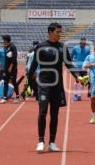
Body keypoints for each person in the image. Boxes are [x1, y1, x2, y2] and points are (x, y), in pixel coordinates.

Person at [28, 23, 83, 153]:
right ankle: (41, 141)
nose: (60, 34)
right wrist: (29, 85)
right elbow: (33, 67)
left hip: (57, 86)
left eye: (60, 32)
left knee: (55, 114)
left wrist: (77, 76)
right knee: (42, 112)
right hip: (44, 85)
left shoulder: (62, 47)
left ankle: (52, 142)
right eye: (58, 32)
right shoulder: (41, 47)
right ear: (50, 32)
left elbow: (69, 63)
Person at [1, 35, 21, 104]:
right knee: (5, 82)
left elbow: (14, 58)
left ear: (6, 40)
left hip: (13, 68)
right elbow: (7, 59)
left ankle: (17, 97)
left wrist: (11, 67)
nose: (3, 41)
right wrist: (5, 68)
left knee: (14, 82)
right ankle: (4, 97)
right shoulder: (5, 47)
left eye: (3, 40)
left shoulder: (13, 47)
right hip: (6, 68)